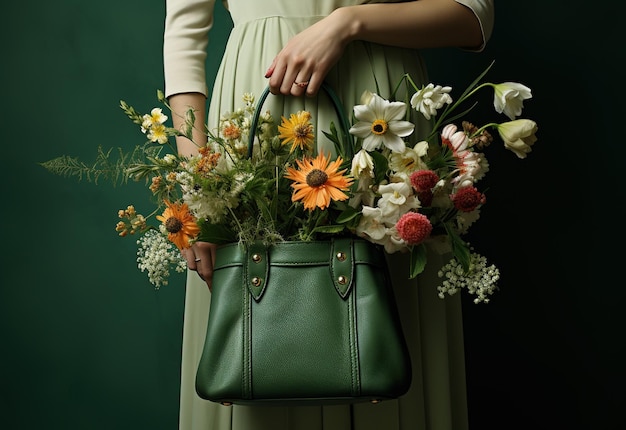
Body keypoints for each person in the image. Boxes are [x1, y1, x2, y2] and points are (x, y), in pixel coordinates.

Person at [163, 1, 494, 429]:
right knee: (252, 351)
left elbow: (473, 15)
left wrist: (349, 23)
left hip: (379, 113)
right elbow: (183, 37)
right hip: (255, 107)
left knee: (384, 344)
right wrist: (199, 190)